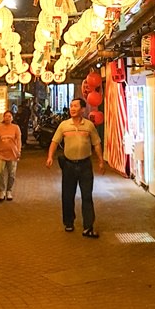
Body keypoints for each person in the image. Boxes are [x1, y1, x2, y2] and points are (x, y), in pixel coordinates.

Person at [46, 97, 104, 237]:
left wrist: (101, 161)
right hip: (69, 165)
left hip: (85, 165)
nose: (72, 108)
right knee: (67, 196)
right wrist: (50, 157)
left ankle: (88, 227)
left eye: (75, 106)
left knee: (87, 196)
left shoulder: (89, 125)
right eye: (71, 106)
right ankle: (69, 222)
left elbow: (96, 143)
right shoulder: (64, 125)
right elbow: (55, 141)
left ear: (83, 109)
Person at [0, 110, 22, 202]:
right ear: (3, 118)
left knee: (12, 173)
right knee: (0, 172)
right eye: (6, 116)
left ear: (12, 118)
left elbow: (19, 140)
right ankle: (2, 191)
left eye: (9, 116)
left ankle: (9, 191)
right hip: (1, 154)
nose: (7, 118)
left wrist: (19, 151)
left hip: (13, 154)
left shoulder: (16, 128)